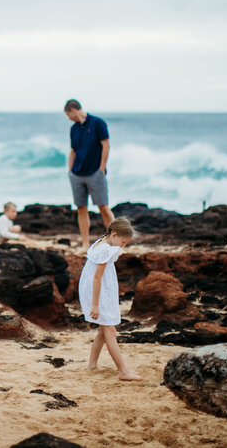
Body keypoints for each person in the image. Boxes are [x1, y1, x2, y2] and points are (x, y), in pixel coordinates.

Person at [78, 217, 142, 381]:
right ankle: (124, 371)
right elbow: (97, 278)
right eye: (123, 241)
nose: (123, 245)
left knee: (103, 329)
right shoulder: (105, 249)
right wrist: (95, 305)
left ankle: (92, 365)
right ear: (114, 235)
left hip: (97, 289)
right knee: (110, 331)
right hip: (97, 291)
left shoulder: (101, 242)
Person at [64, 99, 114, 252]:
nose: (68, 118)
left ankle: (117, 241)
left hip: (95, 173)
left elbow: (106, 144)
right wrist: (70, 171)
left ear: (73, 110)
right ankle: (85, 245)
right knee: (81, 208)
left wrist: (102, 168)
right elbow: (73, 150)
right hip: (77, 174)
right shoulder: (74, 129)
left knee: (103, 207)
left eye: (68, 114)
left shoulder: (98, 123)